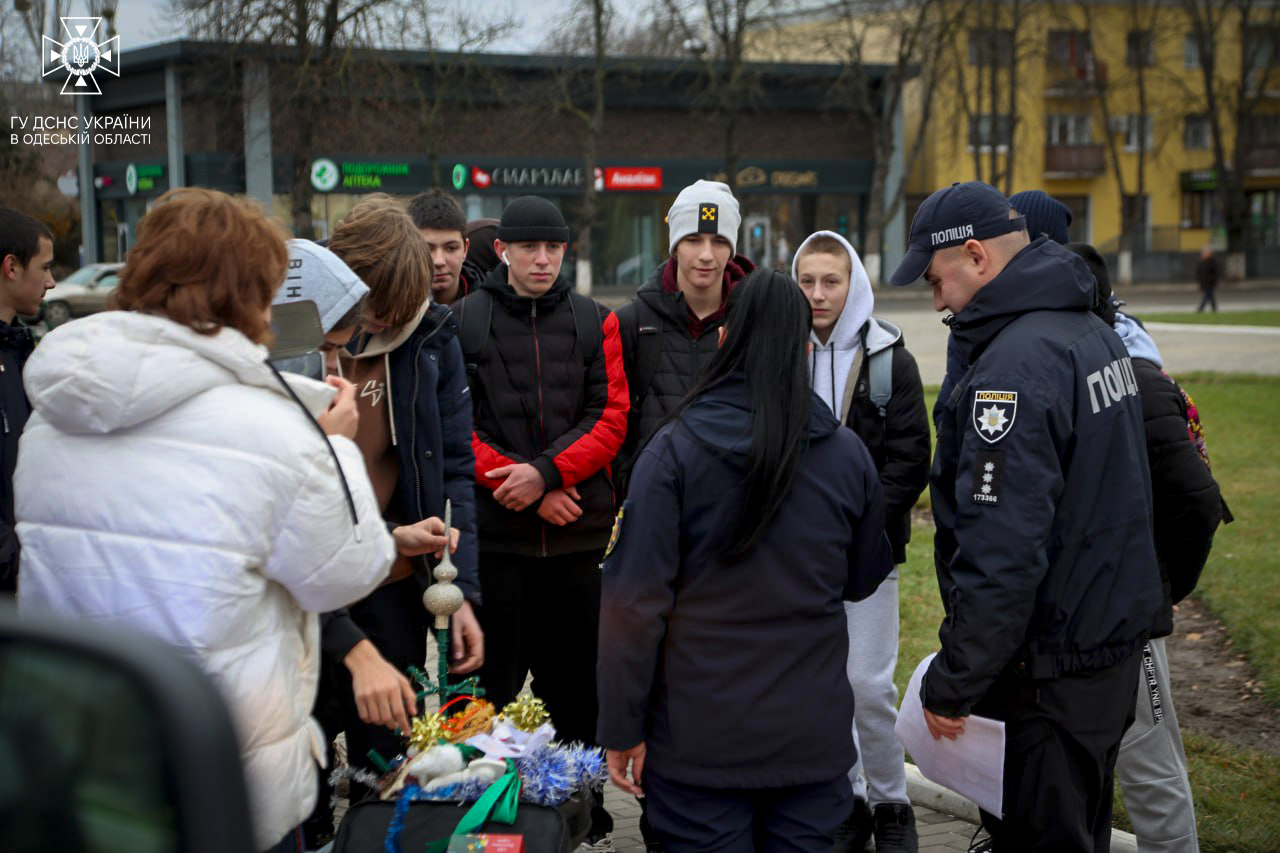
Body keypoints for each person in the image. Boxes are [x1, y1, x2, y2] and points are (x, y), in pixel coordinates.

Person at [13, 187, 397, 852]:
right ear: (247, 291)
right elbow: (346, 572)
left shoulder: (54, 412)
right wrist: (334, 446)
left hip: (88, 757)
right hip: (220, 760)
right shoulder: (266, 425)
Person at [890, 181, 1162, 852]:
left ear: (976, 257)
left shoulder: (1013, 367)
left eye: (936, 278)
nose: (937, 300)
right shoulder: (1091, 332)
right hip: (1105, 651)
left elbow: (1002, 550)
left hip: (1051, 674)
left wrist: (954, 682)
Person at [598, 268, 893, 853]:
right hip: (809, 740)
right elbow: (863, 578)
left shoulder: (673, 452)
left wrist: (622, 726)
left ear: (726, 339)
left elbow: (632, 604)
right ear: (804, 349)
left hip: (698, 744)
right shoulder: (845, 455)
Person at [452, 195, 627, 848]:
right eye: (530, 247)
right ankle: (479, 816)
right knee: (488, 689)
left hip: (577, 545)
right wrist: (523, 487)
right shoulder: (464, 321)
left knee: (579, 693)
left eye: (554, 248)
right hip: (498, 546)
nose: (543, 259)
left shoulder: (595, 321)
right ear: (503, 251)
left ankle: (589, 815)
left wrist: (549, 475)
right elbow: (459, 430)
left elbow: (610, 416)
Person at [320, 197, 483, 802]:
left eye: (397, 311)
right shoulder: (290, 336)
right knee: (301, 776)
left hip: (388, 583)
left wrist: (459, 588)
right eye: (373, 309)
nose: (384, 322)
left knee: (383, 775)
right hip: (307, 585)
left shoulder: (433, 336)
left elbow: (455, 474)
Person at [1067, 242, 1228, 853]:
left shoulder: (1137, 382)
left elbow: (1197, 503)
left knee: (1148, 762)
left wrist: (1163, 589)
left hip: (1128, 617)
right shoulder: (1068, 368)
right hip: (1078, 620)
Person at [792, 231, 929, 853]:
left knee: (869, 685)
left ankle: (891, 801)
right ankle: (842, 798)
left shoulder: (888, 359)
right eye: (807, 282)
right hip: (795, 560)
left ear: (854, 285)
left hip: (868, 557)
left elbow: (910, 459)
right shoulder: (780, 354)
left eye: (831, 281)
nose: (818, 295)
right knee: (819, 684)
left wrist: (862, 530)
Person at [614, 179, 754, 494]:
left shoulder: (752, 321)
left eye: (719, 241)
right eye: (693, 239)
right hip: (650, 499)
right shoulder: (632, 322)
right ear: (675, 245)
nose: (706, 255)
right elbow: (613, 421)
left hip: (729, 505)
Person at [0, 207, 54, 594]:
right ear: (11, 267)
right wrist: (17, 562)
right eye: (45, 267)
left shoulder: (20, 351)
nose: (51, 282)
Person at [407, 189, 485, 305]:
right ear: (408, 249)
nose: (439, 261)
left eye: (451, 248)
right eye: (428, 249)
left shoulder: (492, 307)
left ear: (465, 249)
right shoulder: (387, 311)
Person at [1196, 246, 1219, 312]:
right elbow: (1198, 272)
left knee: (1207, 295)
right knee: (1210, 295)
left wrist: (1214, 281)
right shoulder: (1201, 262)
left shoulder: (1212, 262)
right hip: (1204, 282)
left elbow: (1216, 273)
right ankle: (1214, 308)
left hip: (1210, 282)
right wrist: (1199, 280)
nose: (1204, 254)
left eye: (1206, 253)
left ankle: (1201, 308)